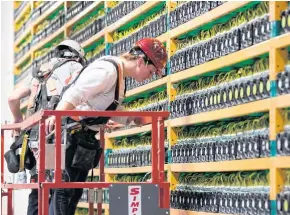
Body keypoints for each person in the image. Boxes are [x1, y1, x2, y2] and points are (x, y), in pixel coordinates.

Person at [44, 37, 168, 215]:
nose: (150, 77)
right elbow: (75, 93)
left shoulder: (119, 75)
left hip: (82, 136)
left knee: (73, 191)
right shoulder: (108, 70)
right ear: (141, 61)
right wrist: (56, 117)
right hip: (69, 132)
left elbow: (112, 106)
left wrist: (136, 118)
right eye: (151, 71)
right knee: (64, 190)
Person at [8, 39, 86, 215]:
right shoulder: (75, 68)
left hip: (35, 139)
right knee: (58, 189)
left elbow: (13, 98)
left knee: (38, 188)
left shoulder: (40, 71)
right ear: (78, 56)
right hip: (56, 137)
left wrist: (18, 120)